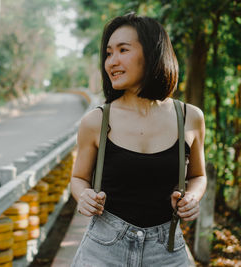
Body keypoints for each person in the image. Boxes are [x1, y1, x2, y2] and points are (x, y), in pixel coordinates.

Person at [70, 13, 207, 266]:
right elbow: (78, 179)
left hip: (166, 251)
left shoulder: (189, 118)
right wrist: (84, 196)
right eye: (108, 53)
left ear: (153, 53)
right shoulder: (96, 121)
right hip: (103, 250)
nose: (112, 61)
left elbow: (198, 176)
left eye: (123, 50)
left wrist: (192, 198)